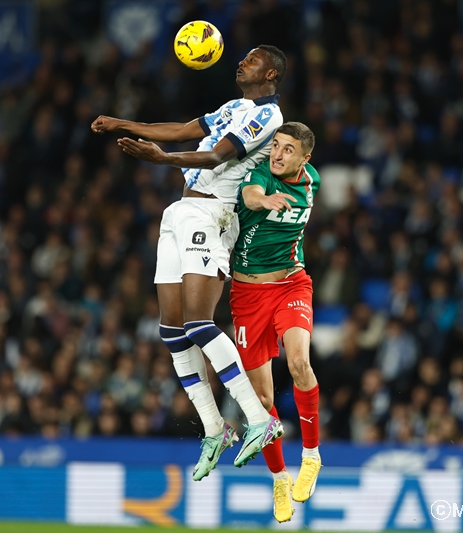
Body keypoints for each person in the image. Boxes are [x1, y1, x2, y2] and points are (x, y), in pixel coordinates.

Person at [91, 46, 287, 479]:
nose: (240, 62)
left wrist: (163, 159)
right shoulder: (236, 105)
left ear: (270, 73)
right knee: (172, 330)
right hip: (180, 212)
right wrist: (123, 122)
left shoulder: (268, 118)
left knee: (200, 322)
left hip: (213, 213)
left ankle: (260, 419)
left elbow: (218, 155)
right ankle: (215, 429)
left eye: (251, 60)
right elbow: (182, 129)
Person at [230, 122, 322, 523]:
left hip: (290, 284)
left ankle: (312, 454)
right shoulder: (262, 174)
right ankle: (279, 478)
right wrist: (265, 200)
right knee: (262, 400)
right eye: (276, 146)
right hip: (248, 296)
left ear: (305, 159)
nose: (278, 154)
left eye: (288, 149)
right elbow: (250, 194)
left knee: (299, 362)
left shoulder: (312, 181)